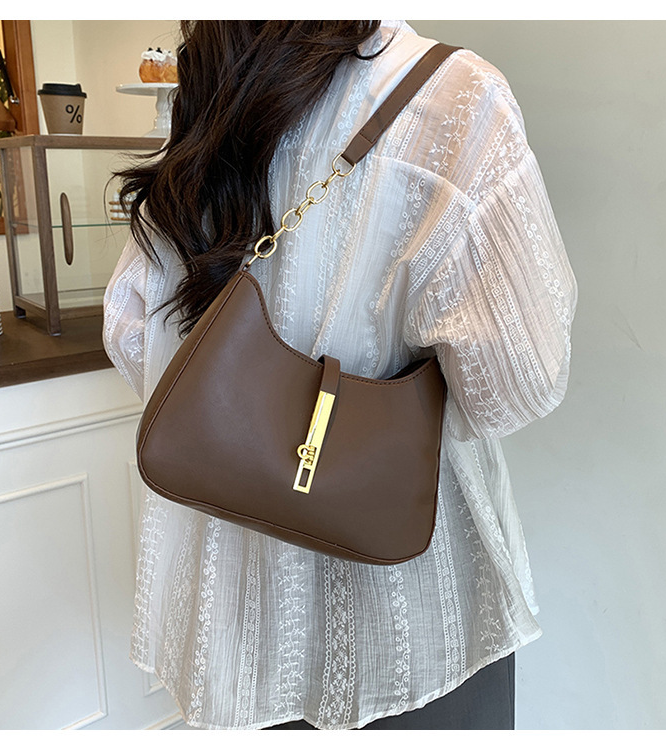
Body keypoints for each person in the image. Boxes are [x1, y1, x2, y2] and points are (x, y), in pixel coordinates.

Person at [103, 20, 577, 730]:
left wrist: (254, 413)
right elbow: (517, 386)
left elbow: (131, 332)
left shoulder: (210, 89)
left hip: (236, 620)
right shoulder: (458, 100)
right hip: (408, 618)